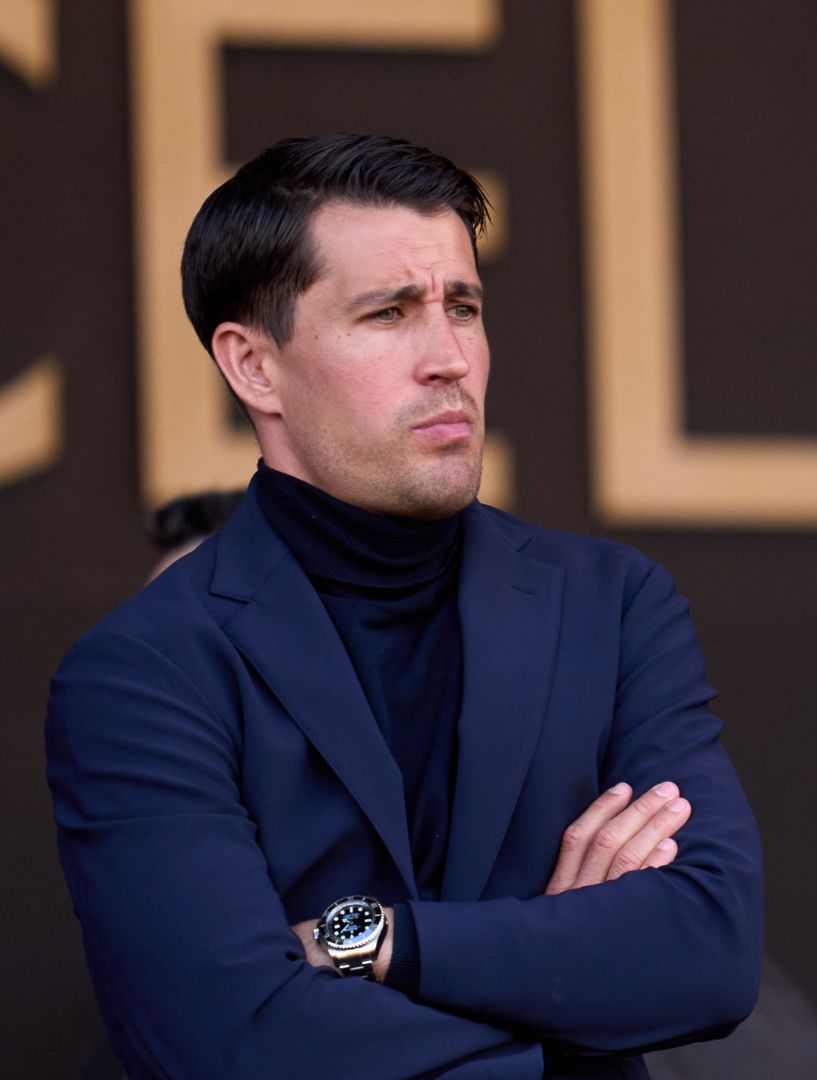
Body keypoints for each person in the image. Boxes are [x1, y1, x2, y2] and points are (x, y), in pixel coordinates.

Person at [46, 133, 762, 1079]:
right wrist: (567, 1004)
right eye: (388, 314)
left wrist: (377, 940)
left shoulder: (613, 606)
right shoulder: (144, 672)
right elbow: (240, 1043)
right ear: (253, 365)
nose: (449, 359)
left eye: (462, 307)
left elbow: (707, 952)